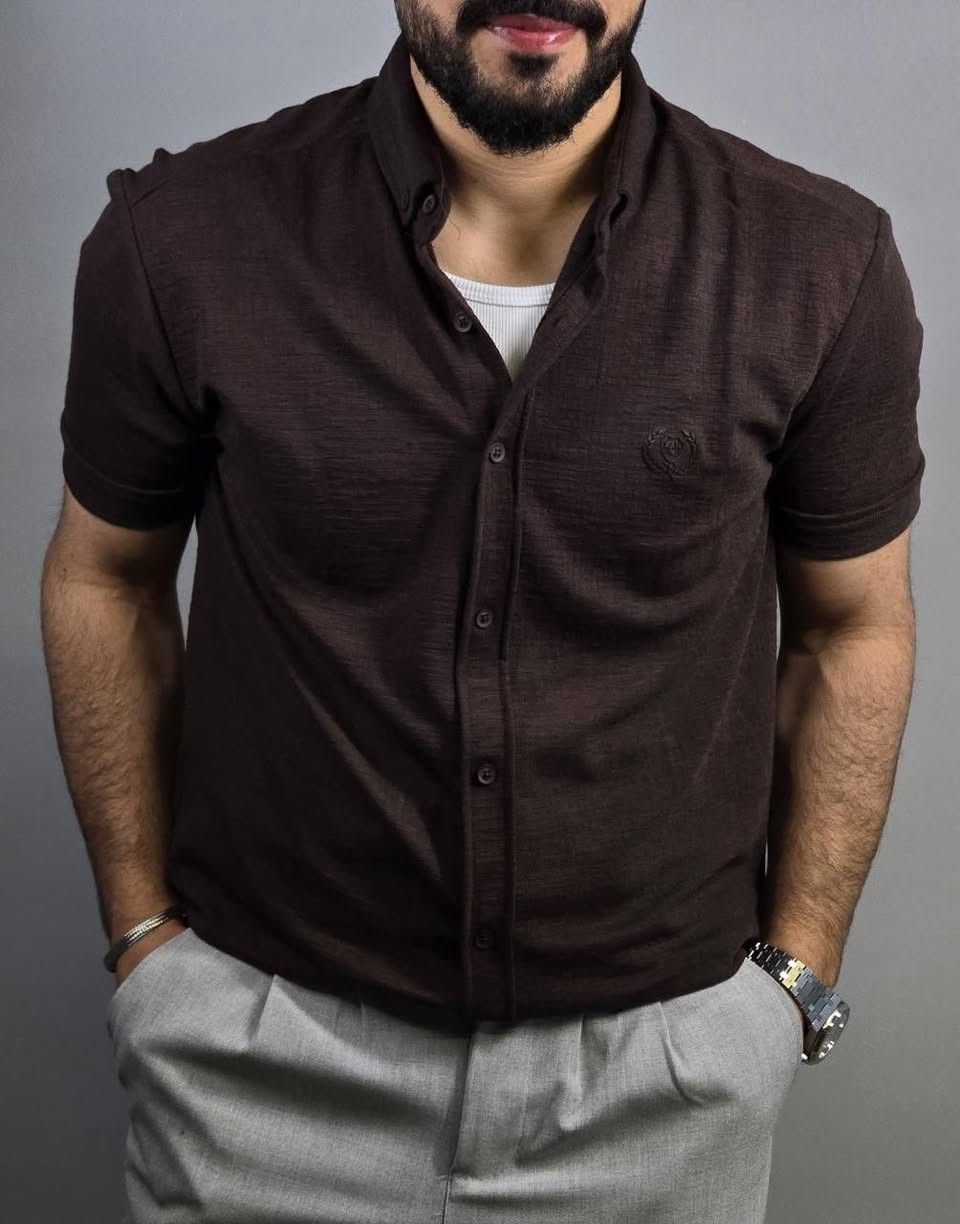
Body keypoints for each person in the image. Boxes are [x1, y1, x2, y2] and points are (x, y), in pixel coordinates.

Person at [40, 2, 925, 1221]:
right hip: (256, 1075)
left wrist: (794, 978)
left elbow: (851, 630)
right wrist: (146, 945)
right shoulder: (183, 238)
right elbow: (105, 578)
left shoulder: (818, 260)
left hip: (662, 1094)